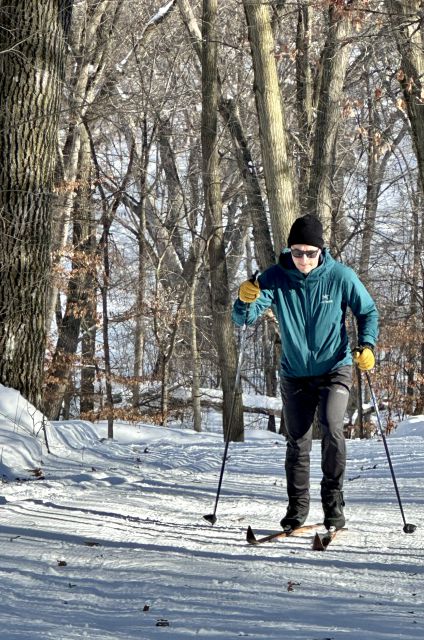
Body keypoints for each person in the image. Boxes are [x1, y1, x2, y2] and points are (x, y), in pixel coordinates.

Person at [232, 214, 378, 531]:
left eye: (310, 252)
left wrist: (366, 346)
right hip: (295, 372)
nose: (303, 259)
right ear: (290, 251)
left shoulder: (340, 276)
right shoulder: (274, 277)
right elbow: (244, 319)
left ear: (321, 251)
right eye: (297, 252)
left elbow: (367, 311)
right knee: (297, 441)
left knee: (331, 427)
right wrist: (244, 301)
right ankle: (297, 509)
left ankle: (333, 504)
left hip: (334, 367)